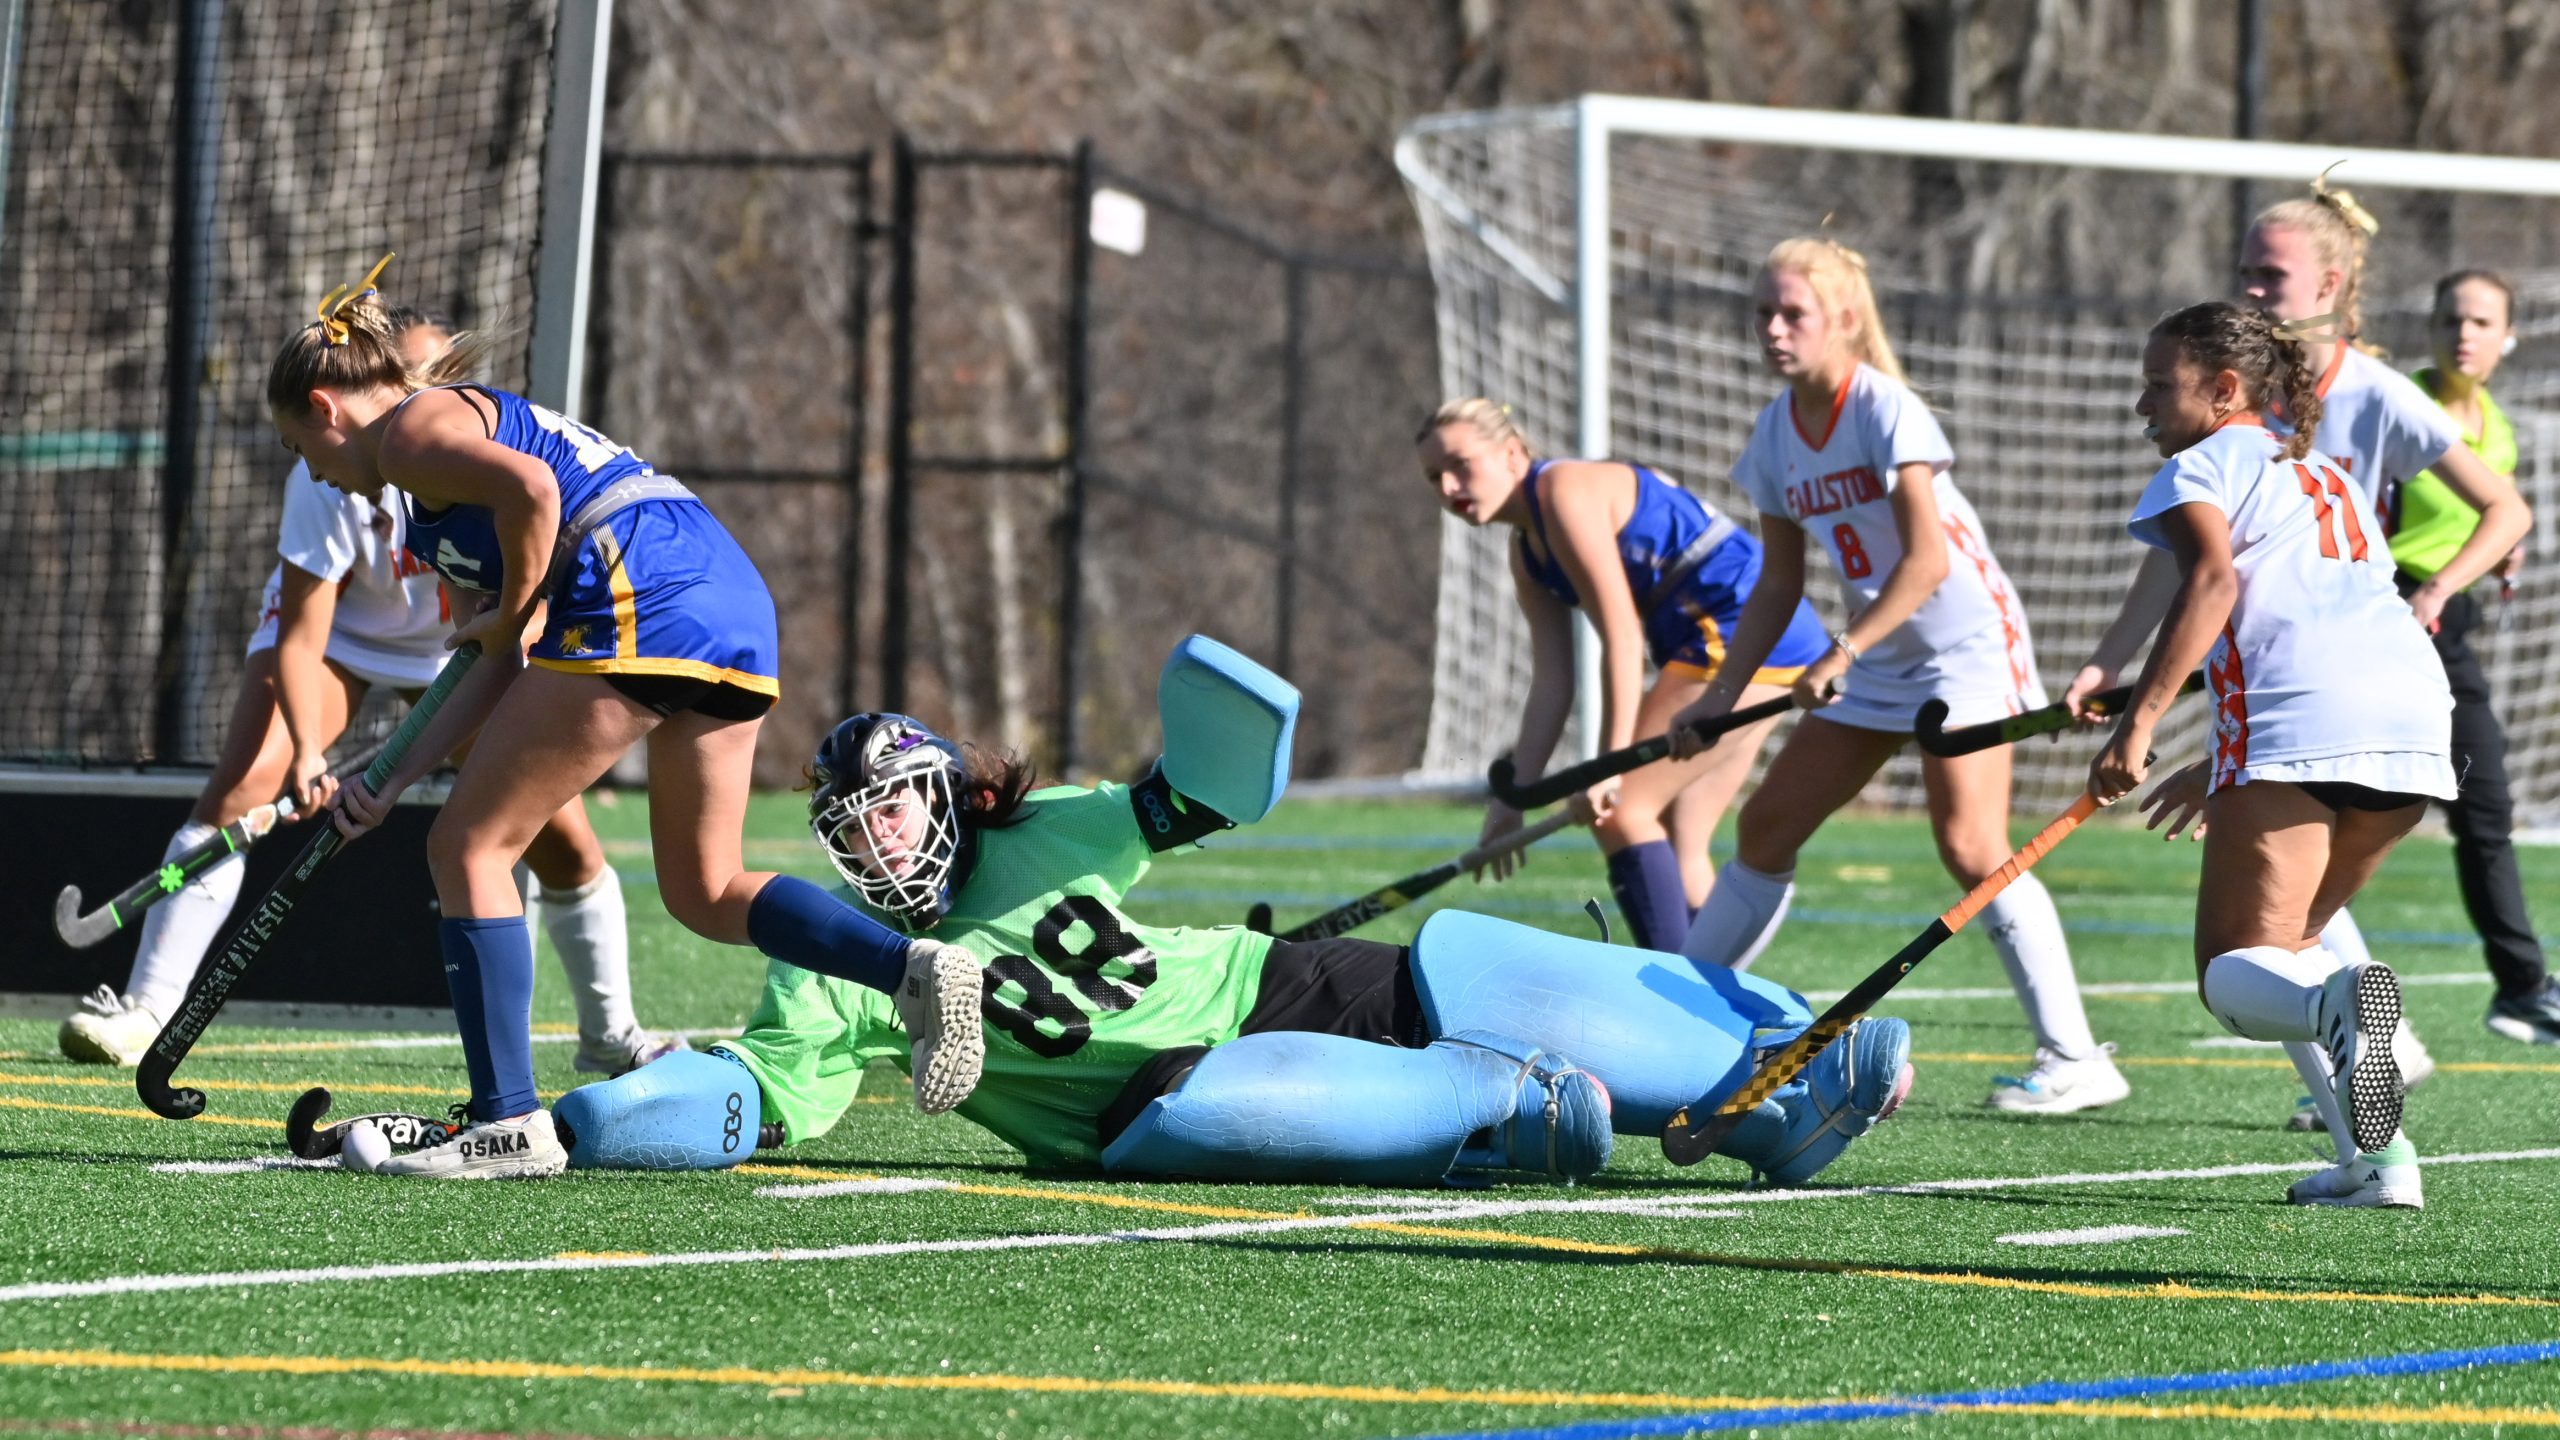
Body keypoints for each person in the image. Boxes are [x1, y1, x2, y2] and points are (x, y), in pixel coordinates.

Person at [546, 690, 1917, 1189]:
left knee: (1467, 961)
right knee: (1201, 1110)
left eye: (895, 812)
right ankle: (1502, 1116)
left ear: (946, 792)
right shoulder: (837, 962)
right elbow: (761, 1097)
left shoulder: (1054, 828)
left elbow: (1193, 792)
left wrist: (1215, 730)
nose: (882, 847)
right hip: (1157, 1094)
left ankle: (1775, 1081)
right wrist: (616, 1116)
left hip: (1269, 976)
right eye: (857, 830)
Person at [271, 256, 980, 1179]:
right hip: (724, 593)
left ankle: (505, 1123)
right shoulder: (429, 488)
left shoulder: (411, 437)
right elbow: (489, 663)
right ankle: (908, 970)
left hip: (642, 591)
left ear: (326, 408)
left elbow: (534, 496)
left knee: (469, 848)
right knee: (706, 890)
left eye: (300, 450)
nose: (317, 476)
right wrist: (388, 779)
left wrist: (517, 608)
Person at [62, 307, 677, 1077]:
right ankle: (149, 1008)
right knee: (244, 784)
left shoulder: (477, 450)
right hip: (344, 639)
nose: (424, 392)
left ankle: (612, 1034)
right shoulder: (327, 474)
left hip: (461, 648)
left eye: (437, 378)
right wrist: (307, 753)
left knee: (561, 838)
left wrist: (518, 626)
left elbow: (526, 567)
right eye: (410, 377)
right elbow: (301, 636)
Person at [2074, 181, 2538, 1121]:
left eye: (2157, 385)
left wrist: (2140, 724)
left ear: (2225, 389)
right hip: (2410, 716)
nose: (2141, 403)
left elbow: (2212, 583)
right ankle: (2377, 1162)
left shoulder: (2211, 458)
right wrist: (2212, 741)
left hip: (2310, 713)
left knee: (2235, 972)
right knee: (2297, 943)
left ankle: (2349, 1017)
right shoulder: (2319, 469)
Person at [1665, 236, 2125, 1116]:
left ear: (1842, 319)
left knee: (1972, 848)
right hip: (1879, 654)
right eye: (1763, 313)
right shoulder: (1775, 430)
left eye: (1792, 313)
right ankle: (1678, 1021)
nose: (1772, 329)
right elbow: (1778, 584)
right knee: (1767, 827)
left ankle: (2075, 1057)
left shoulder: (1884, 408)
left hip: (1963, 646)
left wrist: (1841, 652)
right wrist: (1720, 698)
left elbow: (1927, 562)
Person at [1414, 398, 1831, 950]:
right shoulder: (1527, 555)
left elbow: (1623, 639)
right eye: (1434, 477)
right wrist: (1512, 800)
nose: (1448, 487)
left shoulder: (1562, 493)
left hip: (1740, 630)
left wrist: (1608, 770)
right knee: (1679, 836)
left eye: (1460, 465)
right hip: (1760, 639)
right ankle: (1715, 993)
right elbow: (1553, 681)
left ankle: (1671, 990)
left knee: (1622, 814)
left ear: (1512, 454)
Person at [2401, 270, 2560, 1044]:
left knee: (2485, 804)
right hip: (2391, 615)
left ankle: (2522, 989)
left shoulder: (2496, 427)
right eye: (2451, 319)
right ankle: (2292, 988)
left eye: (2481, 322)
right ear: (2430, 328)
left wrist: (2497, 551)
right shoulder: (2400, 405)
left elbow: (2492, 515)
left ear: (2508, 339)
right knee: (2342, 808)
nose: (2463, 334)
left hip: (2446, 630)